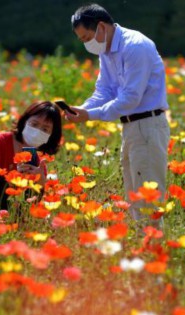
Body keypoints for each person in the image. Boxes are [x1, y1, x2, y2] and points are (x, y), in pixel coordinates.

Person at [66, 4, 170, 229]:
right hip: (132, 127)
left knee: (148, 200)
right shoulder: (106, 50)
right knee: (134, 198)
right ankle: (144, 252)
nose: (85, 44)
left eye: (86, 37)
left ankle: (155, 255)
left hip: (148, 125)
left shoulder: (135, 46)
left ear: (101, 27)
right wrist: (82, 109)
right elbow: (104, 90)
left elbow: (131, 98)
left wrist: (90, 115)